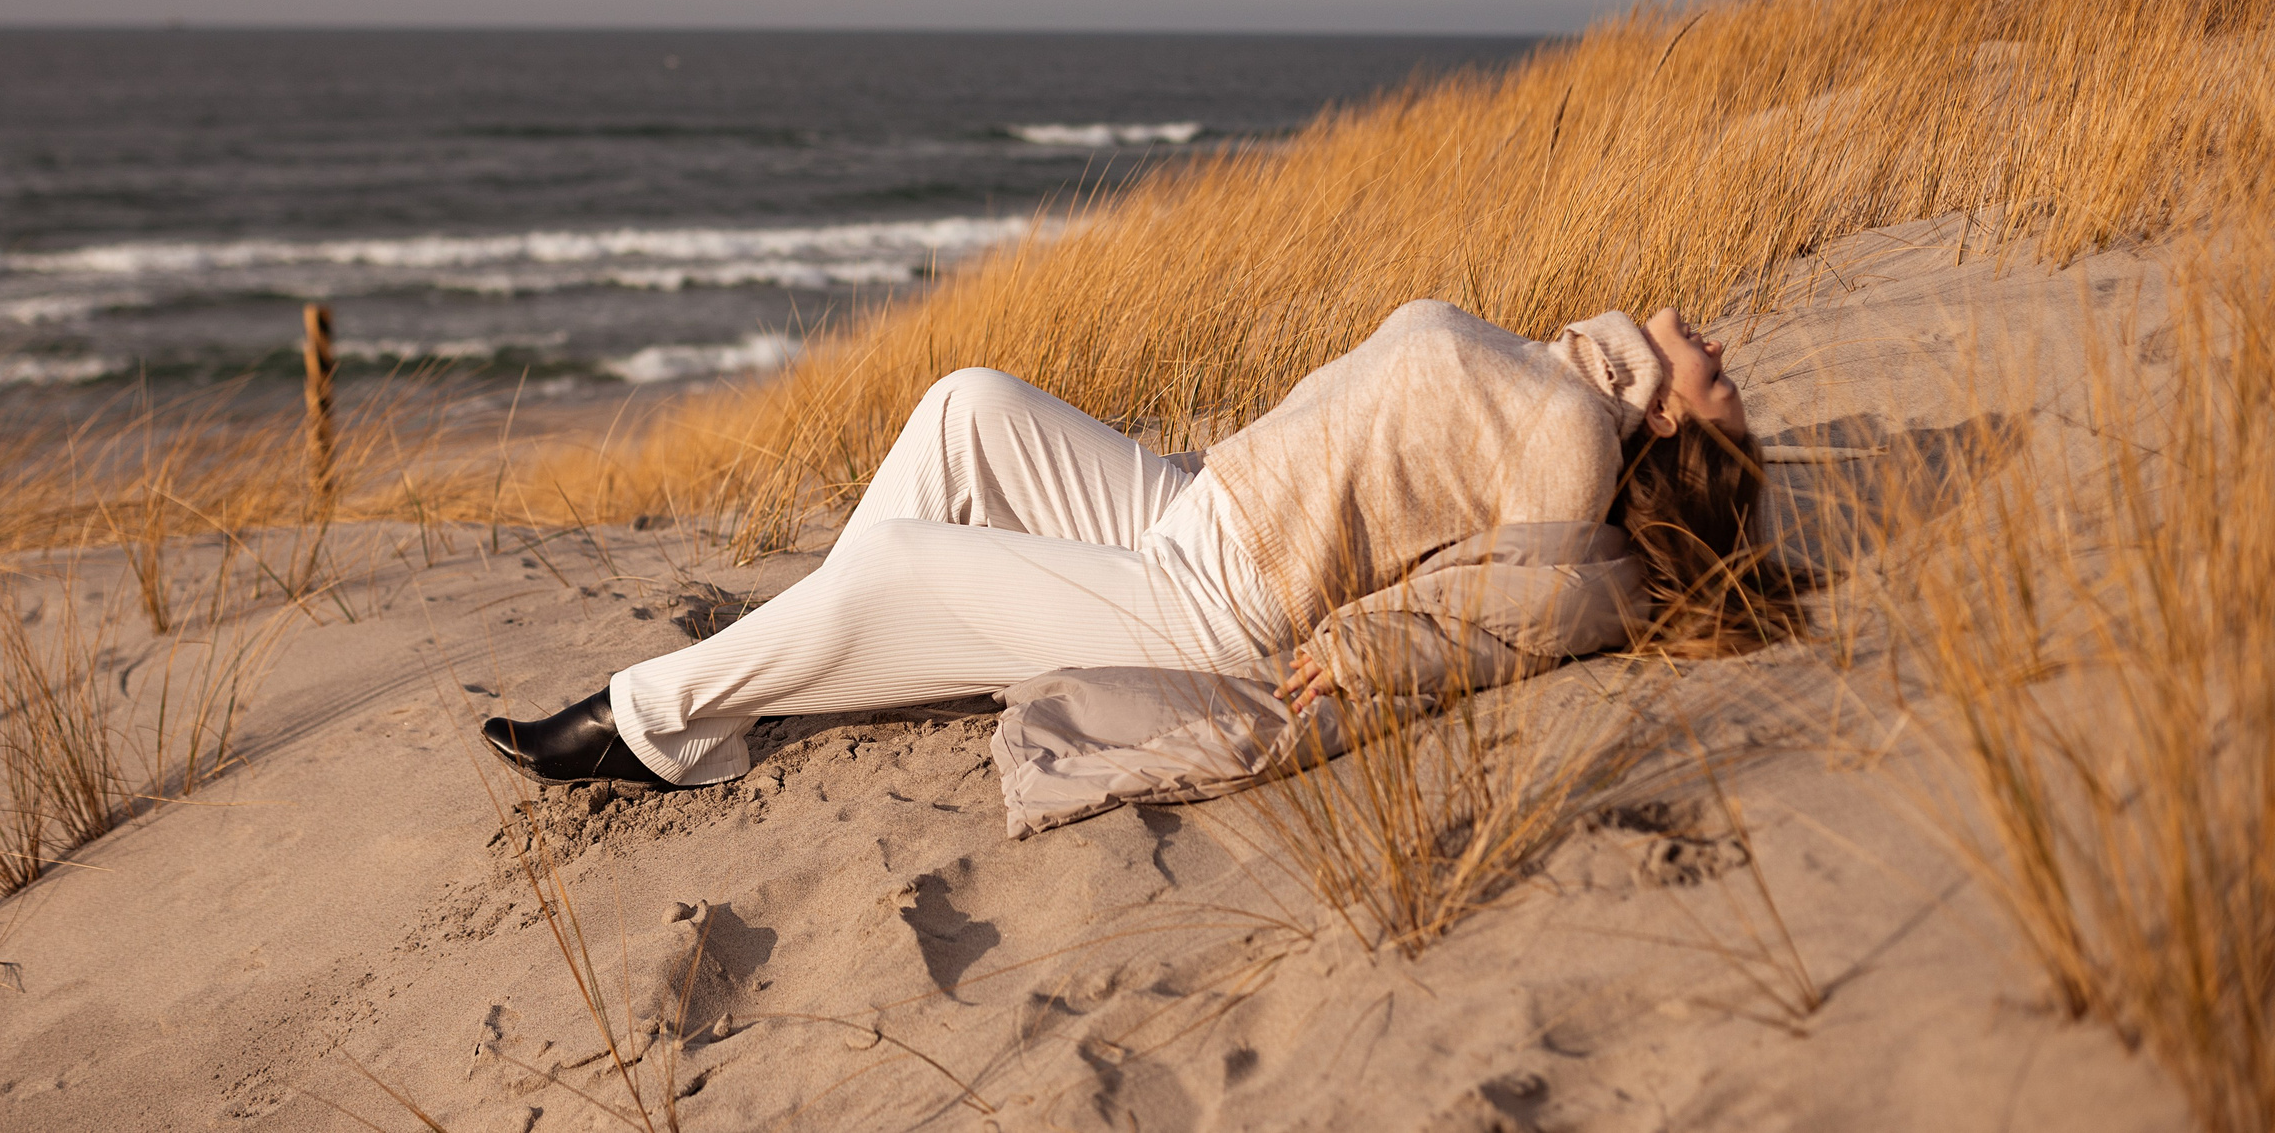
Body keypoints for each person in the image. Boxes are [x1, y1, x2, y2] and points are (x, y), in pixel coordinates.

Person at [482, 302, 1765, 789]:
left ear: (1669, 423)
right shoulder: (1563, 372)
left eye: (1723, 384)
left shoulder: (1573, 436)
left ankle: (645, 724)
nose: (1723, 351)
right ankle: (794, 653)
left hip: (1218, 597)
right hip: (1191, 501)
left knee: (901, 568)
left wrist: (1372, 648)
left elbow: (1518, 599)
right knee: (966, 402)